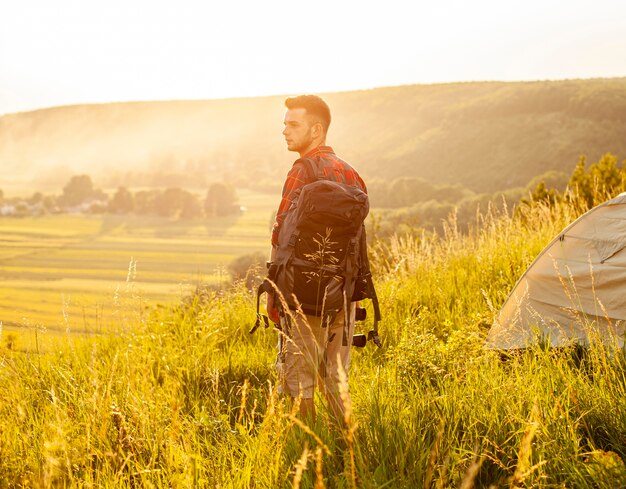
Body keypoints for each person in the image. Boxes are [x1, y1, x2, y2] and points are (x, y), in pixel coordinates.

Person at [267, 94, 367, 422]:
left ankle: (308, 452)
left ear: (317, 129)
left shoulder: (301, 170)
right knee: (336, 379)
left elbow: (281, 235)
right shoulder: (352, 174)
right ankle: (346, 449)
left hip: (301, 295)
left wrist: (274, 292)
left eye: (293, 124)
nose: (285, 131)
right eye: (285, 124)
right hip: (345, 293)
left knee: (300, 383)